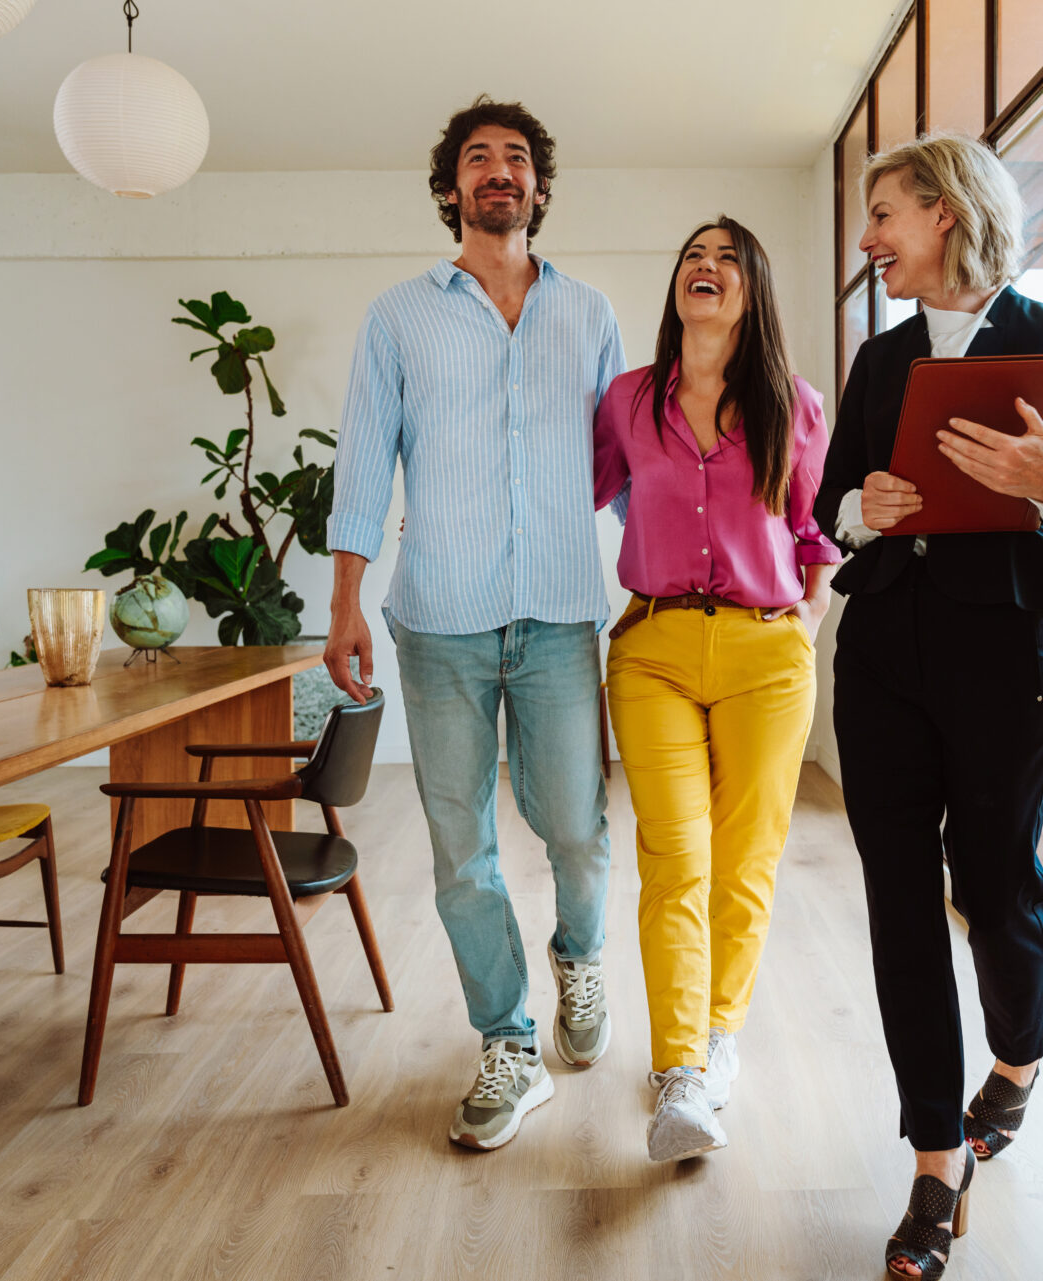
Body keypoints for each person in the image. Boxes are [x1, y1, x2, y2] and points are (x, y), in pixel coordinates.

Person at [813, 133, 1043, 1279]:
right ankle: (935, 1164)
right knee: (901, 907)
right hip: (883, 654)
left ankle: (1020, 1053)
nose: (869, 240)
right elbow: (826, 502)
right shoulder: (878, 359)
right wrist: (867, 505)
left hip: (1001, 649)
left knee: (994, 887)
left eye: (884, 214)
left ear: (944, 213)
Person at [324, 95, 625, 1152]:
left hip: (557, 615)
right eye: (477, 159)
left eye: (516, 159)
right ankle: (506, 1041)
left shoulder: (587, 315)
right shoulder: (399, 317)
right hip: (439, 619)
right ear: (451, 188)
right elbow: (363, 461)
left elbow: (623, 467)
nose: (498, 172)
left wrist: (684, 575)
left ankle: (580, 959)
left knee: (579, 829)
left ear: (539, 187)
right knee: (463, 853)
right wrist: (346, 600)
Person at [593, 217, 838, 1163]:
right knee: (675, 852)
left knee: (746, 859)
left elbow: (817, 530)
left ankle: (717, 1032)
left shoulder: (795, 405)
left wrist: (806, 622)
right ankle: (679, 1073)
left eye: (728, 259)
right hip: (651, 648)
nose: (706, 267)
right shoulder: (626, 400)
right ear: (677, 286)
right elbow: (582, 488)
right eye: (693, 255)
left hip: (766, 655)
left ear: (753, 291)